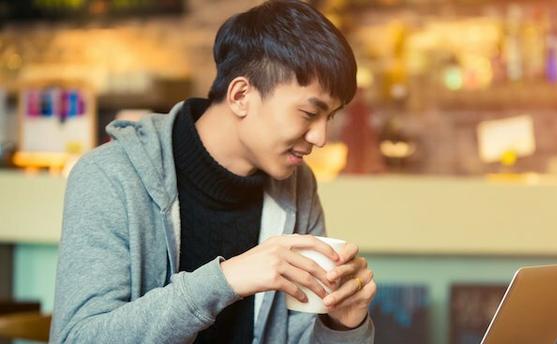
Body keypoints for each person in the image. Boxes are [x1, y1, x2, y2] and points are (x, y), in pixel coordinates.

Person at [49, 1, 376, 342]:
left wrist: (344, 326)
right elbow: (77, 338)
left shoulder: (297, 186)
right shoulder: (110, 175)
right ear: (240, 95)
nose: (320, 138)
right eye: (310, 113)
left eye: (330, 118)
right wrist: (225, 280)